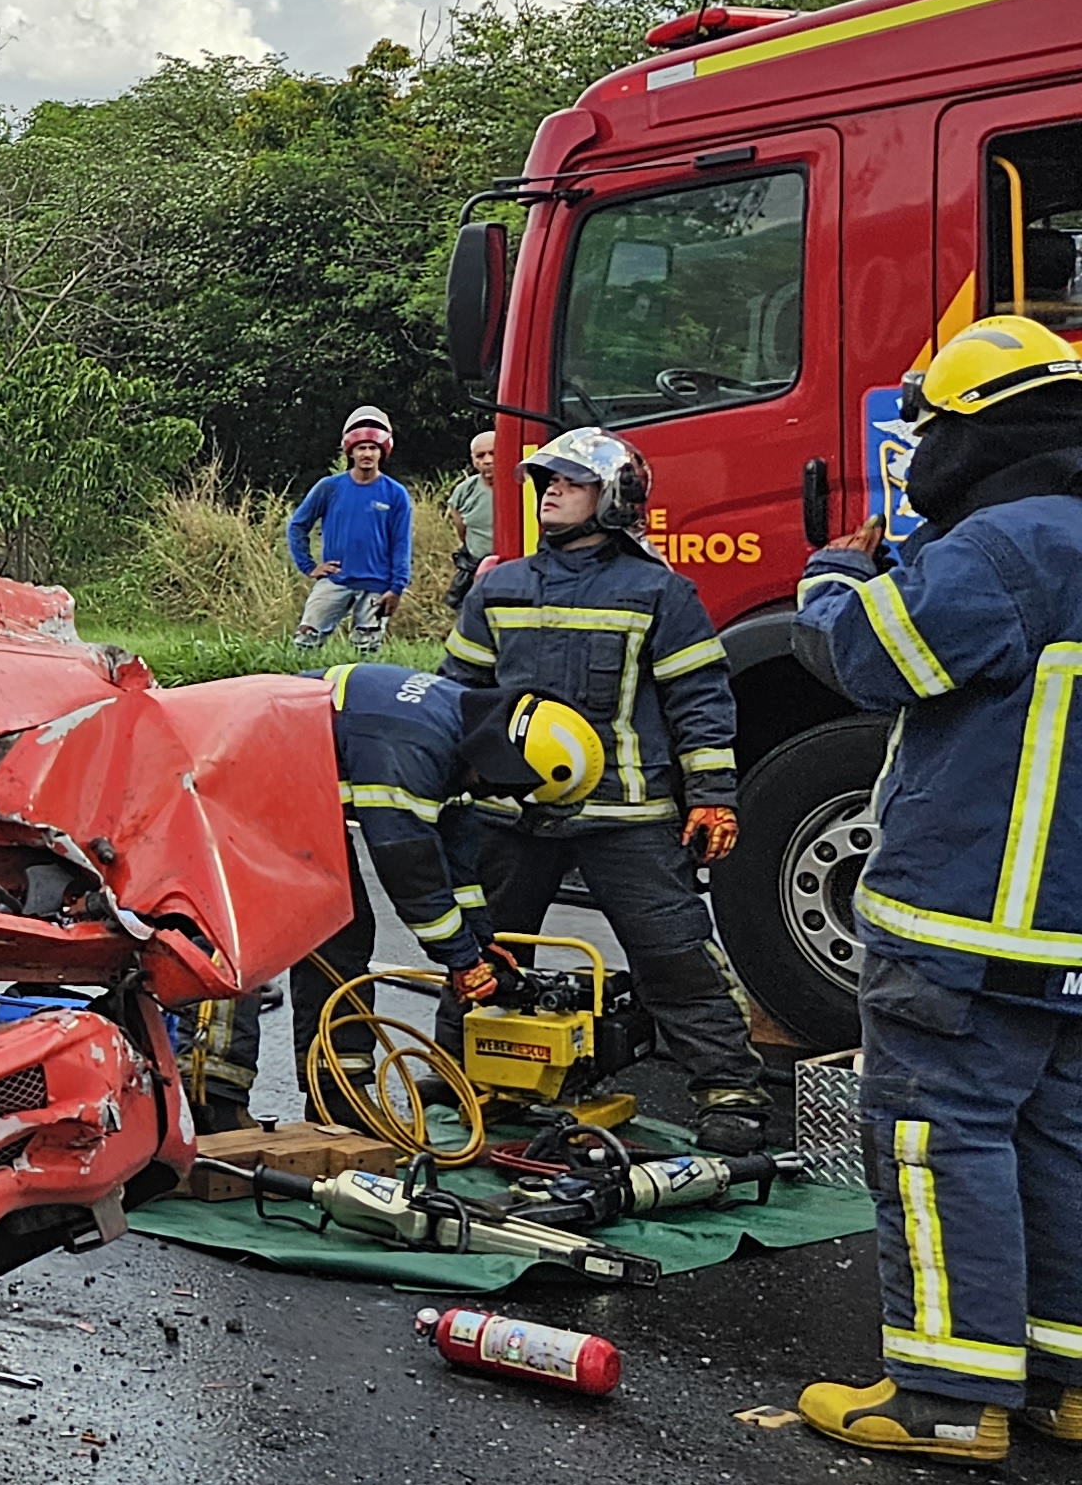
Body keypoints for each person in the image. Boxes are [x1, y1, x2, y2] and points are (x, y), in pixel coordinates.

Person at [787, 315, 1082, 1462]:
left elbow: (871, 656)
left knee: (937, 1135)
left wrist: (830, 578)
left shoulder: (1002, 549)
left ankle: (946, 1397)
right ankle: (1063, 1380)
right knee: (1058, 1140)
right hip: (1069, 940)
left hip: (961, 926)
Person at [443, 425, 772, 1153]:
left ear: (616, 497)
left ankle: (729, 1091)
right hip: (512, 812)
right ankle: (460, 1072)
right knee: (484, 950)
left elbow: (700, 700)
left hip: (629, 812)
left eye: (569, 479)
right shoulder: (497, 586)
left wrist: (712, 792)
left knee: (673, 952)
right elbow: (454, 697)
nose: (549, 490)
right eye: (544, 480)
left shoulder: (660, 592)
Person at [188, 668, 606, 1133]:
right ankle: (215, 1094)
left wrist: (480, 941)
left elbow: (456, 859)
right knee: (242, 932)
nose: (509, 798)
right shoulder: (410, 749)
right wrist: (461, 959)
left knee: (338, 926)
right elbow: (410, 865)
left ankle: (337, 1090)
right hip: (221, 776)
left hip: (283, 786)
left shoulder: (464, 731)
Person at [286, 407, 414, 652]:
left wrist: (397, 586)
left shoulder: (395, 493)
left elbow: (401, 543)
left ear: (383, 451)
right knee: (305, 643)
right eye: (361, 448)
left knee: (367, 650)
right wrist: (309, 566)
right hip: (335, 579)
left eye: (373, 448)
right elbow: (297, 526)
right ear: (351, 451)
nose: (367, 453)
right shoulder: (329, 487)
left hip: (377, 584)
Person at [443, 428, 497, 609]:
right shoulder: (464, 492)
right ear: (473, 460)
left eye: (493, 453)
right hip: (477, 571)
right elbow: (462, 533)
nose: (488, 461)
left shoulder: (525, 486)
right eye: (480, 456)